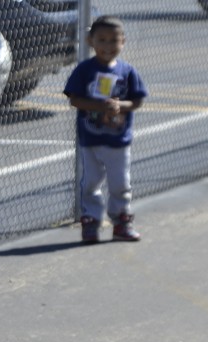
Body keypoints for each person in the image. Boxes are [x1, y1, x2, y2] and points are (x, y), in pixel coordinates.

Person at [63, 15, 149, 244]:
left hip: (118, 141)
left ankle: (121, 221)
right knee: (90, 182)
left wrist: (120, 105)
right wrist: (99, 106)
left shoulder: (127, 71)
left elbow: (138, 102)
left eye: (114, 41)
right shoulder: (85, 70)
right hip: (90, 139)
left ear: (123, 42)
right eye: (102, 40)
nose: (108, 46)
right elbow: (75, 100)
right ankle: (91, 221)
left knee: (120, 183)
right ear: (91, 41)